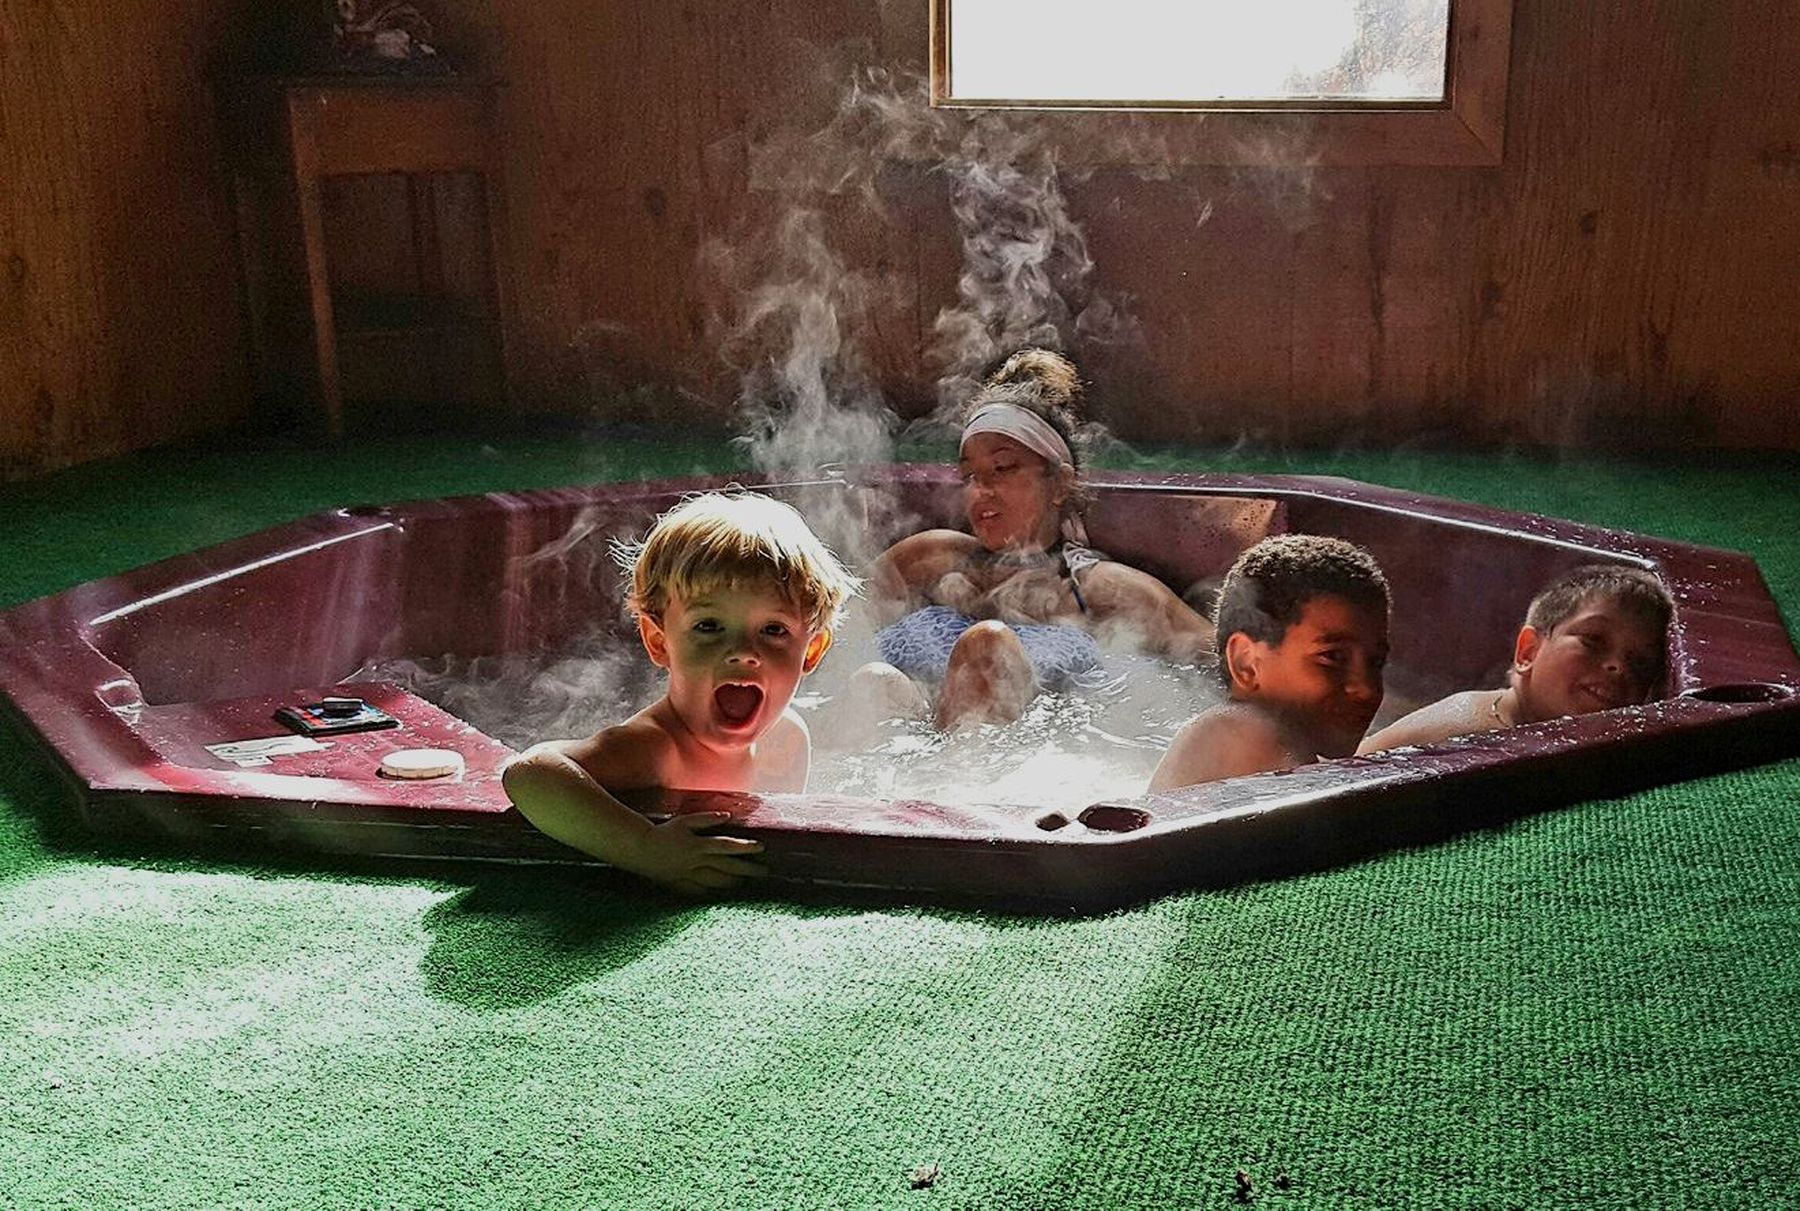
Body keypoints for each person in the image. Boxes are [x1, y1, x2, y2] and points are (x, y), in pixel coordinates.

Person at [502, 492, 859, 895]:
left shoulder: (788, 738)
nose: (743, 651)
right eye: (709, 626)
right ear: (659, 642)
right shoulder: (657, 748)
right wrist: (645, 848)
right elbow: (530, 774)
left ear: (812, 649)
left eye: (773, 630)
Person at [856, 349, 1217, 730]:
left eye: (1002, 468)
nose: (981, 490)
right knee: (874, 681)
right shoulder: (930, 559)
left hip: (1031, 752)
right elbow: (830, 623)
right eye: (970, 476)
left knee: (987, 647)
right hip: (903, 746)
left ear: (1059, 484)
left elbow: (1232, 662)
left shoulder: (1106, 591)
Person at [1149, 534, 1390, 791]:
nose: (1367, 690)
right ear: (1247, 663)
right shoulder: (1238, 733)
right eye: (1332, 657)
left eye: (1375, 662)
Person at [1358, 563, 1671, 754]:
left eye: (1640, 663)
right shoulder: (1465, 729)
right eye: (1593, 641)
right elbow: (1351, 773)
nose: (1618, 667)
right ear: (1528, 651)